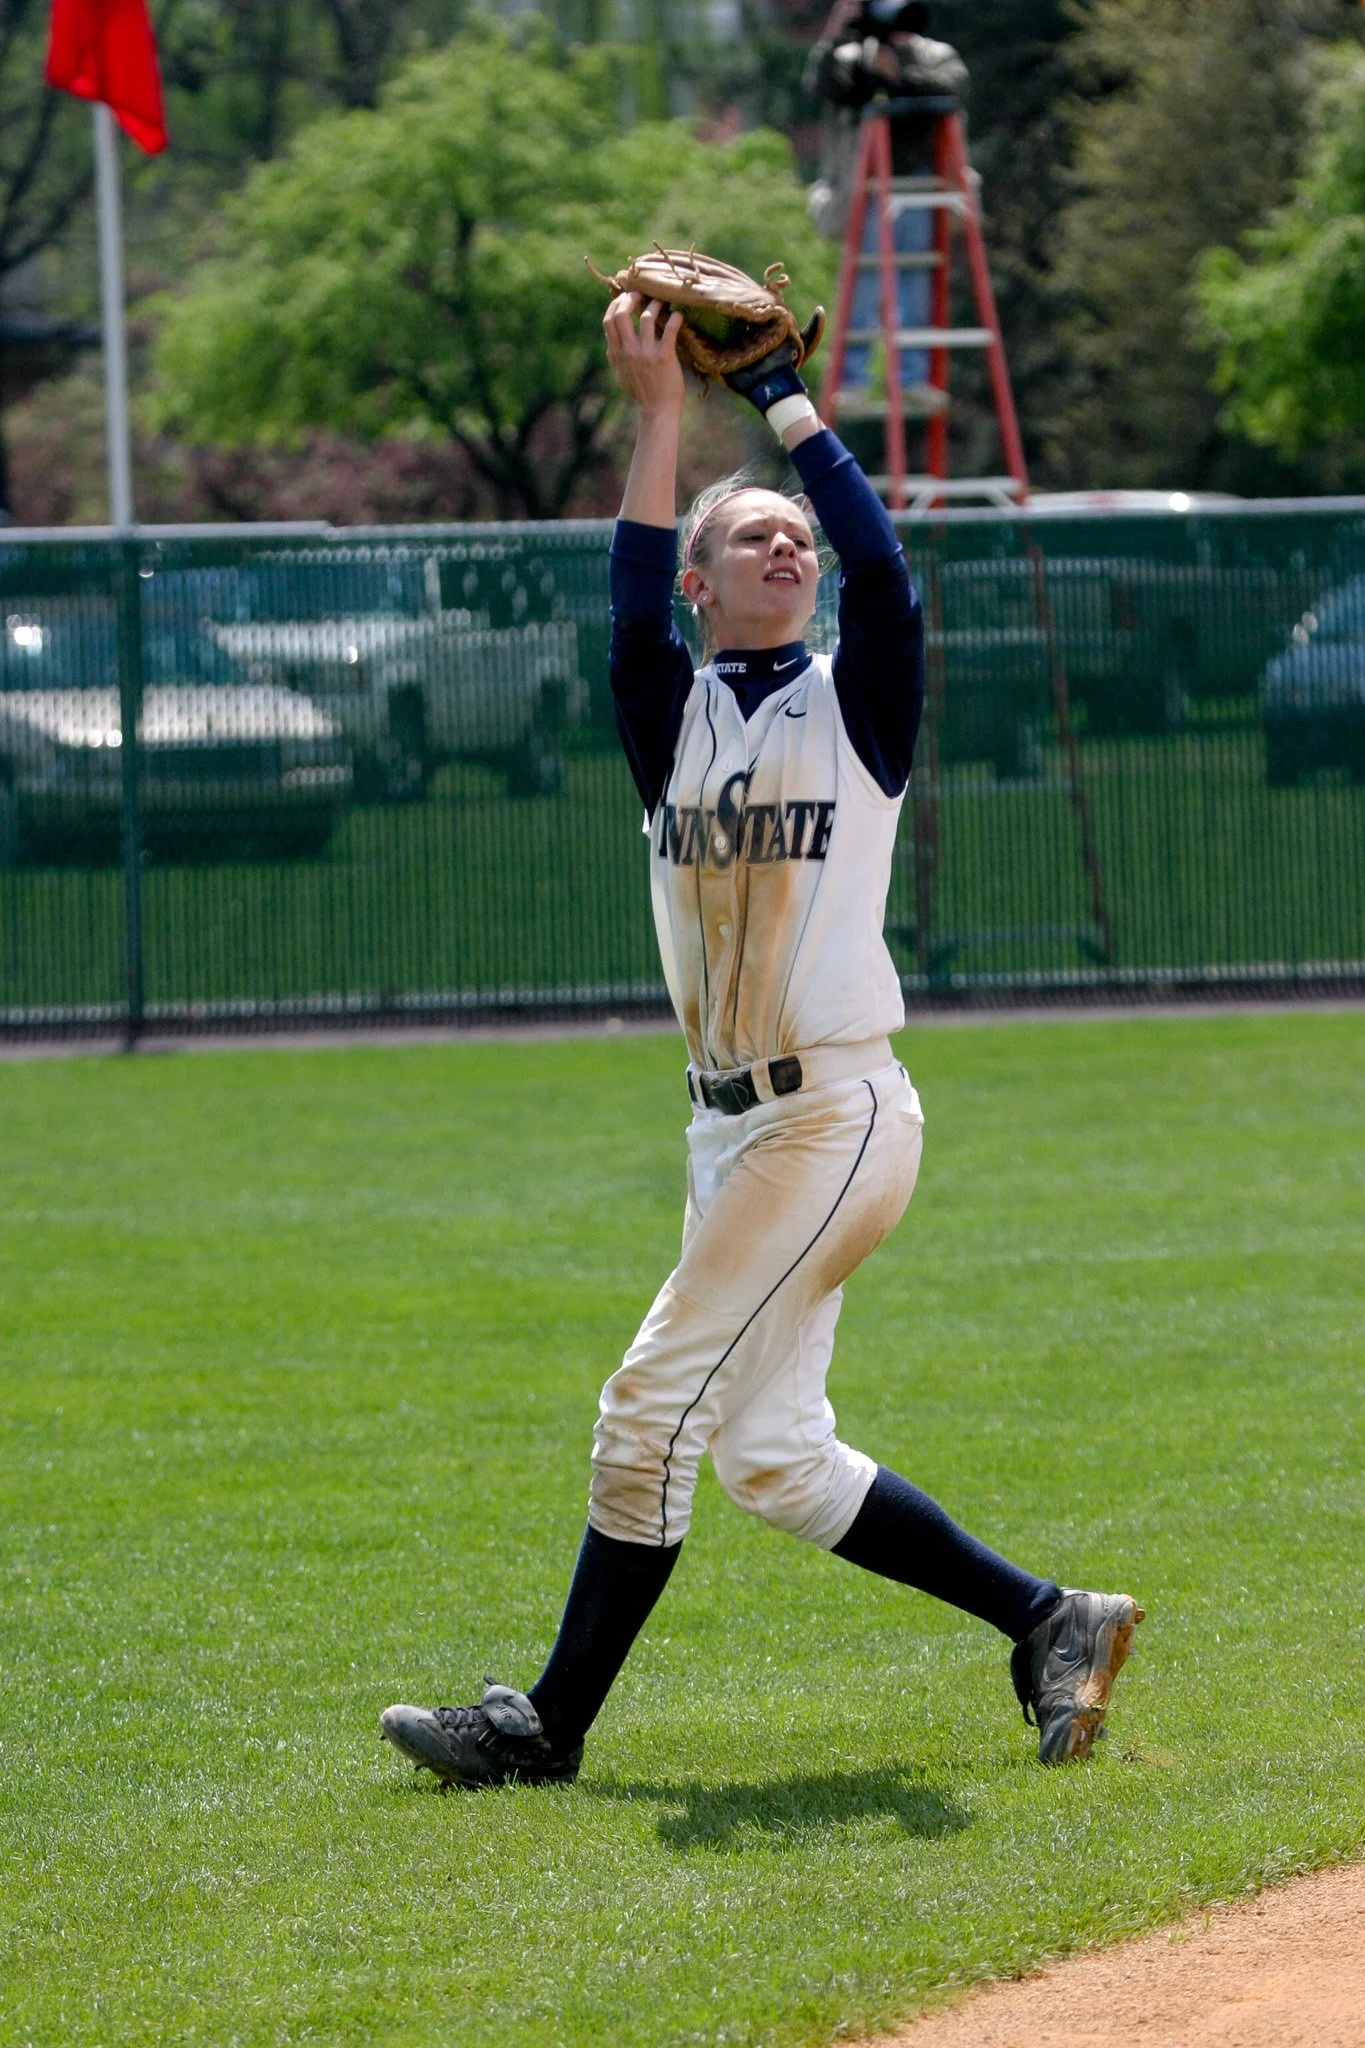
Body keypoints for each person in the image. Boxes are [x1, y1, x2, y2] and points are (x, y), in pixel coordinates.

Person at [379, 295, 1143, 1788]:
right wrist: (659, 409)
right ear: (702, 583)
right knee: (770, 1458)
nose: (786, 548)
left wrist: (786, 400)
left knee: (644, 1405)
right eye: (751, 538)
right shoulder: (666, 721)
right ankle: (1051, 1618)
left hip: (837, 1113)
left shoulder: (856, 703)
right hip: (729, 1128)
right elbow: (620, 602)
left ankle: (546, 1726)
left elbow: (886, 571)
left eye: (794, 538)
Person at [807, 0, 969, 403]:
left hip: (916, 183)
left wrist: (899, 76)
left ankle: (914, 378)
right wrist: (838, 30)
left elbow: (953, 86)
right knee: (864, 281)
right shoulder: (850, 56)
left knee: (914, 279)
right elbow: (825, 85)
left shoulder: (934, 54)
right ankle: (853, 378)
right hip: (866, 186)